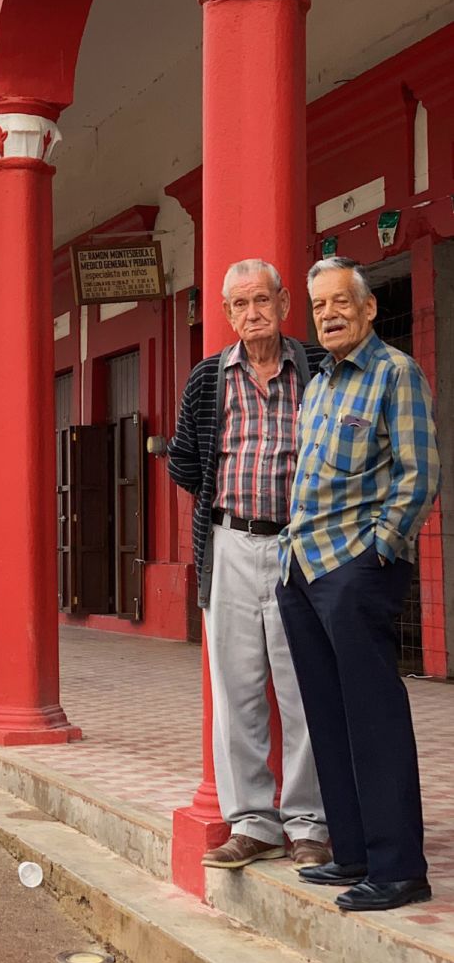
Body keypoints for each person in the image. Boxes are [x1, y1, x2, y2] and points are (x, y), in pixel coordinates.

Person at [277, 257, 440, 912]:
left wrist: (376, 553)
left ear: (368, 308)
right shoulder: (318, 385)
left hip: (356, 569)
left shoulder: (395, 374)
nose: (330, 315)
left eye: (341, 302)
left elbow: (417, 472)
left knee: (372, 715)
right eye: (319, 307)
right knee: (328, 714)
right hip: (303, 567)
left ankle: (399, 868)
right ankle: (352, 851)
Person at [169, 259, 330, 870]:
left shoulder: (316, 370)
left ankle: (309, 821)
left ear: (285, 303)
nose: (251, 313)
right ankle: (253, 822)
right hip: (231, 543)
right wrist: (221, 504)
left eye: (261, 300)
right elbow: (184, 459)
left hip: (301, 544)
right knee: (236, 691)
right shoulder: (209, 378)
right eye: (238, 304)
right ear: (226, 313)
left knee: (302, 688)